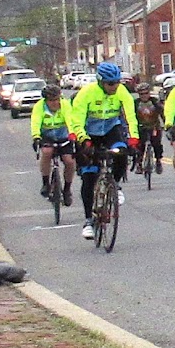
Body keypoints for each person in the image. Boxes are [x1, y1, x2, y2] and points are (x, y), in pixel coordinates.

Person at [66, 62, 140, 241]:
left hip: (110, 129)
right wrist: (84, 140)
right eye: (110, 83)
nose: (114, 87)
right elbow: (77, 120)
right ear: (101, 82)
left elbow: (131, 117)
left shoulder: (122, 92)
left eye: (117, 82)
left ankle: (115, 184)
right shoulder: (86, 93)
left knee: (121, 151)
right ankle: (88, 221)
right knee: (89, 177)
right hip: (89, 133)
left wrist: (134, 139)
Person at [31, 85, 75, 206]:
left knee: (69, 161)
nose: (55, 103)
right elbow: (35, 122)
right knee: (47, 152)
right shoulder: (39, 107)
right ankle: (46, 183)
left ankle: (67, 189)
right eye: (51, 100)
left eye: (57, 99)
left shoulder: (65, 105)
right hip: (47, 137)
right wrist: (36, 137)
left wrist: (72, 134)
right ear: (46, 101)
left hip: (63, 136)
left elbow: (70, 120)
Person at [132, 82, 164, 175]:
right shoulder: (136, 103)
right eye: (141, 94)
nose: (144, 96)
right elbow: (130, 115)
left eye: (146, 93)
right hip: (141, 127)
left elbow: (162, 113)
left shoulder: (155, 102)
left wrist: (166, 124)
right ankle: (139, 164)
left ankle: (158, 161)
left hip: (154, 126)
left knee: (156, 144)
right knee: (139, 145)